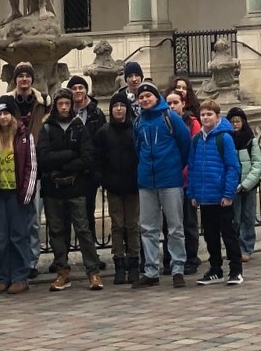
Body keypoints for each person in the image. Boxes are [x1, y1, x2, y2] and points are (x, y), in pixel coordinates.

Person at [37, 88, 103, 292]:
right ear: (55, 106)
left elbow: (86, 157)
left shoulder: (79, 126)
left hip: (76, 186)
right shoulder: (47, 127)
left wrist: (64, 165)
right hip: (53, 187)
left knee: (83, 230)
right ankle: (62, 271)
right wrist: (69, 155)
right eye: (61, 104)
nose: (64, 107)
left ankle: (92, 270)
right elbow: (44, 157)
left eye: (67, 103)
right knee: (56, 231)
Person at [131, 83, 192, 289]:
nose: (145, 100)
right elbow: (137, 147)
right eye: (141, 97)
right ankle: (151, 270)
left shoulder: (170, 117)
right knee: (148, 228)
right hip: (146, 181)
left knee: (175, 227)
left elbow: (185, 144)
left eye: (148, 96)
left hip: (170, 180)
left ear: (157, 98)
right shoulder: (138, 121)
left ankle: (177, 269)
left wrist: (175, 166)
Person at [0, 95, 37, 295]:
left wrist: (27, 194)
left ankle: (20, 276)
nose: (3, 117)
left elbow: (31, 165)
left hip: (16, 194)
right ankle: (3, 276)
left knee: (18, 235)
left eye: (6, 113)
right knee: (0, 237)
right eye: (0, 113)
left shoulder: (24, 136)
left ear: (13, 116)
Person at [188, 101, 243, 286]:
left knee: (228, 234)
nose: (206, 118)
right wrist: (193, 193)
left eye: (209, 114)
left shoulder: (224, 138)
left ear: (217, 116)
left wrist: (228, 194)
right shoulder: (196, 139)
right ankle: (215, 269)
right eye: (203, 114)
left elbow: (232, 167)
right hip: (205, 197)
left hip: (221, 197)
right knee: (210, 235)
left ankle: (236, 270)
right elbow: (192, 167)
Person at [94, 92, 140, 285]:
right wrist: (103, 179)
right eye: (115, 106)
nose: (119, 109)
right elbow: (98, 158)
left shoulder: (135, 129)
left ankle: (134, 262)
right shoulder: (104, 132)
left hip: (133, 185)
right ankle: (119, 263)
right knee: (117, 225)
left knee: (132, 225)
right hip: (113, 186)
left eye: (122, 106)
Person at [9, 61, 50, 277]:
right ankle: (18, 259)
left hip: (37, 166)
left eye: (27, 76)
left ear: (32, 80)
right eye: (20, 76)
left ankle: (32, 260)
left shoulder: (44, 102)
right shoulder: (7, 102)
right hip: (13, 166)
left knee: (34, 218)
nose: (24, 79)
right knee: (16, 219)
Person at [67, 74, 107, 268]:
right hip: (68, 171)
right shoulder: (63, 111)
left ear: (86, 91)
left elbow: (102, 143)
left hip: (89, 172)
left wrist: (98, 169)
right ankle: (62, 259)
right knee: (64, 218)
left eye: (80, 88)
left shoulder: (96, 113)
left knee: (88, 216)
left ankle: (92, 257)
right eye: (74, 88)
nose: (77, 91)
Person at [163, 91, 202, 276]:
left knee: (188, 222)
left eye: (175, 102)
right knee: (168, 224)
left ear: (183, 103)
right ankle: (169, 258)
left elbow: (195, 149)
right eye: (169, 103)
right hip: (168, 180)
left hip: (186, 180)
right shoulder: (162, 121)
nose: (172, 106)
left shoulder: (192, 123)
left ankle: (191, 258)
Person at [227, 107, 261, 261]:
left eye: (238, 121)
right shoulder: (227, 140)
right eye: (232, 121)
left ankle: (246, 248)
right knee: (234, 219)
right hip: (232, 185)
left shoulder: (250, 140)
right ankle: (234, 248)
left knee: (248, 217)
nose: (235, 124)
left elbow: (257, 164)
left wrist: (246, 183)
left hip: (248, 185)